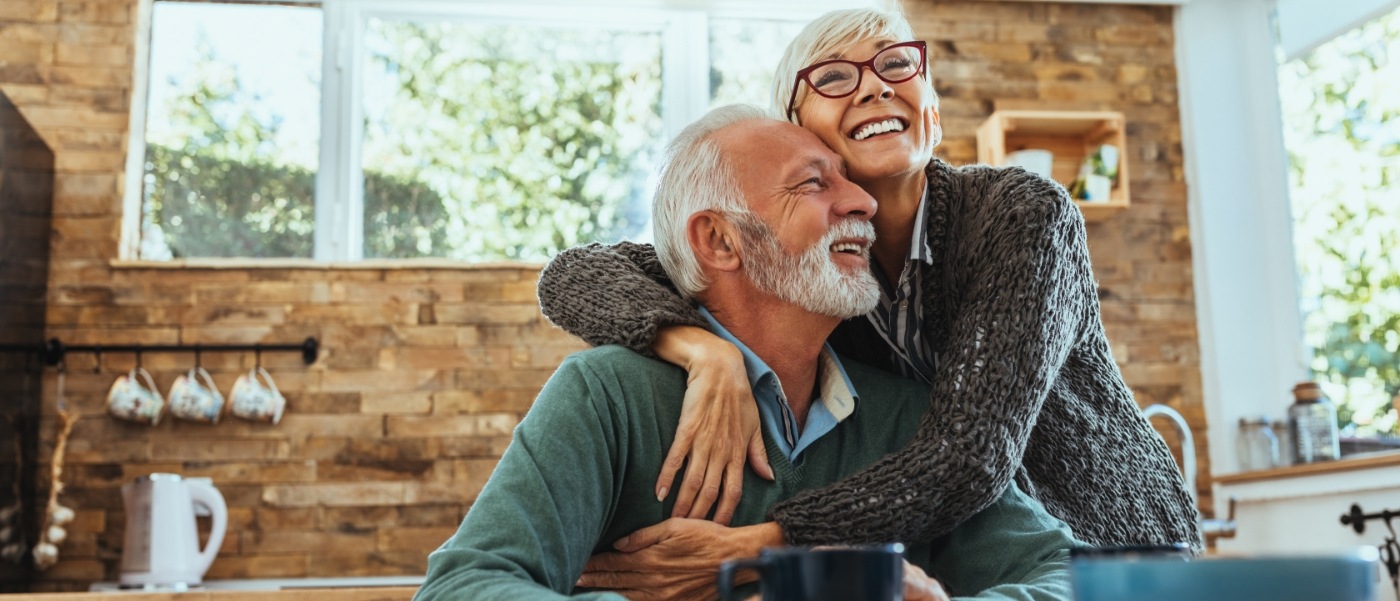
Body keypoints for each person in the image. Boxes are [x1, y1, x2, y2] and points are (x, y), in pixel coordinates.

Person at [536, 5, 1201, 565]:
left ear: (931, 110)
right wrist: (699, 349)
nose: (874, 87)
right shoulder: (807, 263)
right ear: (796, 132)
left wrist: (766, 542)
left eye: (895, 64)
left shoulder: (1023, 215)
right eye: (832, 77)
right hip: (972, 560)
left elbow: (967, 456)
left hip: (1114, 549)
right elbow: (576, 273)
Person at [415, 105, 1078, 601]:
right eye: (815, 184)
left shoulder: (907, 417)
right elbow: (464, 585)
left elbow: (1070, 579)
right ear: (721, 242)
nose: (864, 201)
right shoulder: (606, 394)